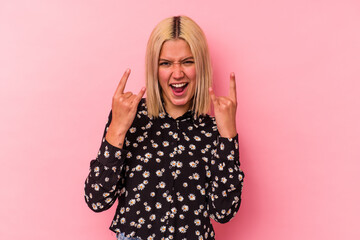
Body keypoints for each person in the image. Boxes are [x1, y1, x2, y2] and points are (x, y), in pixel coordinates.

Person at [84, 15, 245, 240]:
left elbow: (223, 212)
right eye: (166, 63)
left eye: (188, 62)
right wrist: (117, 129)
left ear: (201, 65)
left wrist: (228, 136)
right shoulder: (131, 118)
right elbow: (97, 199)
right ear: (154, 68)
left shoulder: (214, 129)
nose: (177, 73)